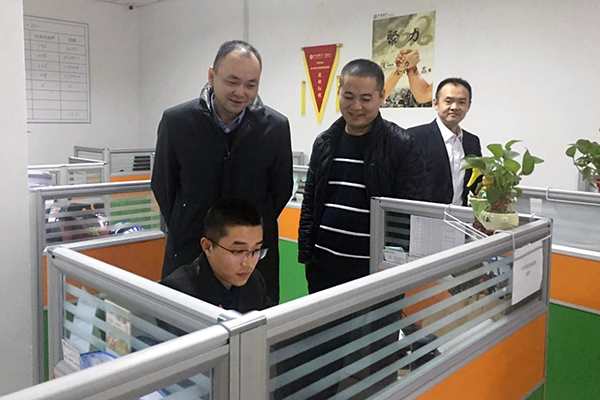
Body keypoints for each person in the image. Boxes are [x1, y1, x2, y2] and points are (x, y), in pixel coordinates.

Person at [151, 40, 293, 304]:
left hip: (250, 259)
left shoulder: (275, 127)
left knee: (254, 323)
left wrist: (246, 237)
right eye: (232, 81)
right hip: (191, 250)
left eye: (251, 84)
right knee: (185, 323)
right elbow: (164, 185)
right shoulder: (178, 122)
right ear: (211, 76)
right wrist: (191, 224)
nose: (241, 92)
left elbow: (281, 189)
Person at [298, 58, 425, 293]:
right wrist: (307, 255)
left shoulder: (401, 145)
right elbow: (310, 203)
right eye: (348, 96)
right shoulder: (325, 142)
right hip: (323, 267)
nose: (356, 106)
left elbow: (407, 214)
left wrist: (392, 267)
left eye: (366, 99)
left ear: (382, 96)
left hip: (374, 273)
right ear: (339, 92)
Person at [160, 198, 273, 313]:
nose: (248, 264)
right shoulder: (176, 293)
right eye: (238, 251)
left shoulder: (254, 282)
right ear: (207, 247)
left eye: (256, 250)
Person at [407, 77, 482, 206]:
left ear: (469, 106)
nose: (454, 107)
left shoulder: (472, 142)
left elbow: (477, 184)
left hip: (459, 216)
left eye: (461, 102)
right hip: (424, 214)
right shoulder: (415, 137)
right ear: (435, 103)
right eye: (448, 101)